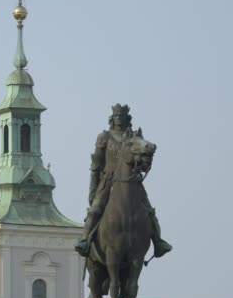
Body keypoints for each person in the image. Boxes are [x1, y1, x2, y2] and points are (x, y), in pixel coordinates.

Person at [74, 104, 172, 258]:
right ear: (112, 118)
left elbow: (142, 159)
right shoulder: (104, 136)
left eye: (122, 116)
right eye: (116, 116)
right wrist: (93, 189)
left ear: (127, 119)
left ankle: (158, 242)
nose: (119, 119)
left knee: (149, 211)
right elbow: (96, 165)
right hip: (107, 180)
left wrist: (144, 163)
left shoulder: (135, 138)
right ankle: (85, 241)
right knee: (95, 210)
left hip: (132, 181)